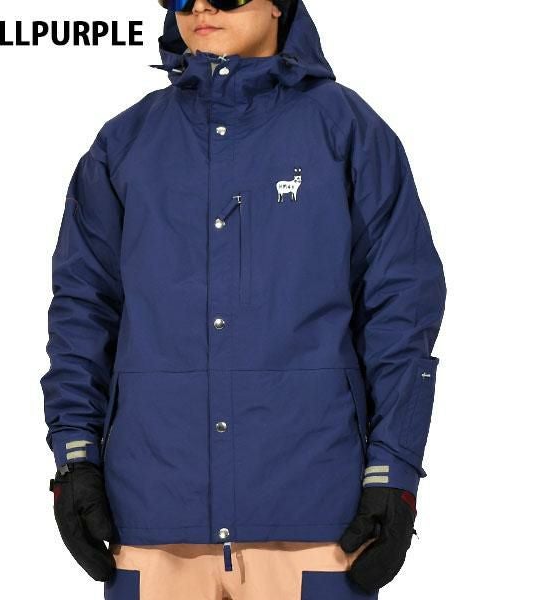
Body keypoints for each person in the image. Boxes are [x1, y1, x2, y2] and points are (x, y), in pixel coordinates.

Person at [41, 1, 446, 598]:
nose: (201, 6)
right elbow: (83, 310)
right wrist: (74, 459)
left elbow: (402, 307)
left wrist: (396, 466)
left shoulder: (347, 131)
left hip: (316, 518)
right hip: (152, 517)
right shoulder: (124, 143)